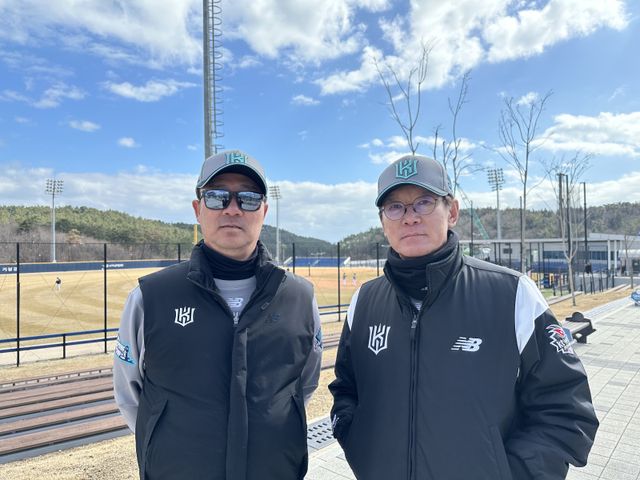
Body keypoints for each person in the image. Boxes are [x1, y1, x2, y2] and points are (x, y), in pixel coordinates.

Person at [329, 154, 598, 480]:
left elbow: (566, 409)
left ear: (452, 212)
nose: (410, 218)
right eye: (395, 207)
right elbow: (346, 388)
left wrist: (511, 474)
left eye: (424, 202)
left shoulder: (513, 294)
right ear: (383, 222)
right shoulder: (365, 301)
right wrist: (356, 442)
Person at [114, 149, 322, 480]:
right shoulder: (149, 297)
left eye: (248, 199)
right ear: (198, 209)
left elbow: (303, 386)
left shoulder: (300, 297)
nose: (232, 208)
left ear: (264, 211)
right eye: (217, 197)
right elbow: (130, 395)